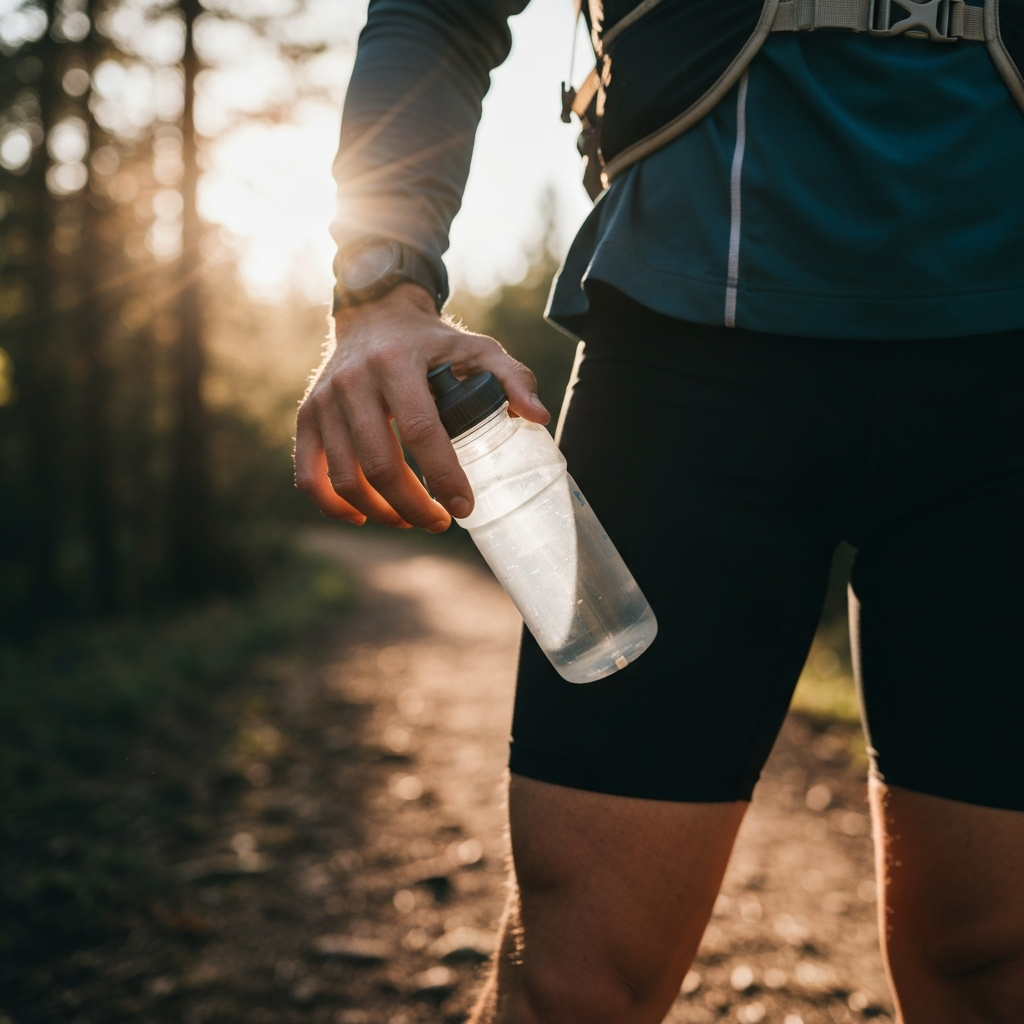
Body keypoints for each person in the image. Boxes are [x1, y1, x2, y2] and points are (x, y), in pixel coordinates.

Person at [294, 1, 1024, 1021]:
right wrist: (380, 283)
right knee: (579, 983)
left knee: (999, 963)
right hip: (687, 367)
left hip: (1008, 391)